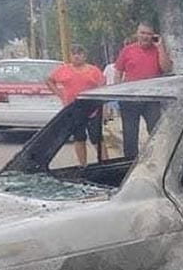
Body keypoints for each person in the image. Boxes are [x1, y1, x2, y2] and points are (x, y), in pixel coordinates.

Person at [114, 22, 173, 158]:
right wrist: (119, 93)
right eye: (142, 33)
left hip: (151, 99)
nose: (145, 36)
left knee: (156, 132)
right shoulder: (127, 50)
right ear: (137, 34)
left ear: (153, 35)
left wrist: (160, 47)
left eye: (148, 33)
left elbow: (167, 69)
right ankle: (130, 164)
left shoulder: (158, 50)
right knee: (130, 136)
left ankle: (158, 159)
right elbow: (118, 71)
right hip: (130, 99)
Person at [46, 44, 107, 166]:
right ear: (70, 56)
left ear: (84, 56)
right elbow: (49, 80)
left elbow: (103, 87)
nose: (77, 56)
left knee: (97, 138)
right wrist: (60, 93)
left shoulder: (93, 70)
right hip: (73, 110)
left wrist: (104, 108)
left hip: (92, 109)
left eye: (79, 53)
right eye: (74, 54)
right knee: (79, 138)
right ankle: (82, 165)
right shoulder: (63, 70)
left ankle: (105, 163)